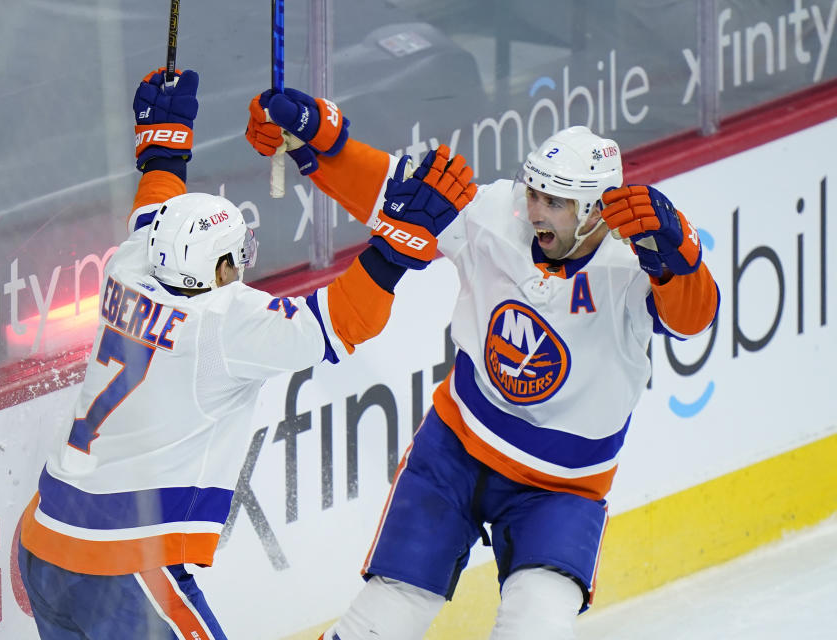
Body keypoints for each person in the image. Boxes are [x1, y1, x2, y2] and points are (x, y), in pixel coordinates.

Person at [16, 68, 476, 640]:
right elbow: (340, 322)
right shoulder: (224, 325)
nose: (242, 269)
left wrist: (163, 147)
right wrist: (399, 243)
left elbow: (155, 206)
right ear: (218, 270)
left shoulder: (128, 267)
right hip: (123, 565)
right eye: (236, 258)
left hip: (41, 543)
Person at [245, 90, 720, 639]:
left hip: (560, 488)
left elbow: (693, 320)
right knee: (384, 618)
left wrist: (681, 260)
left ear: (594, 210)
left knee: (535, 627)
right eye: (535, 192)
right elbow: (397, 198)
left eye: (556, 201)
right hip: (456, 453)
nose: (536, 210)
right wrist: (318, 143)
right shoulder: (499, 215)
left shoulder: (632, 267)